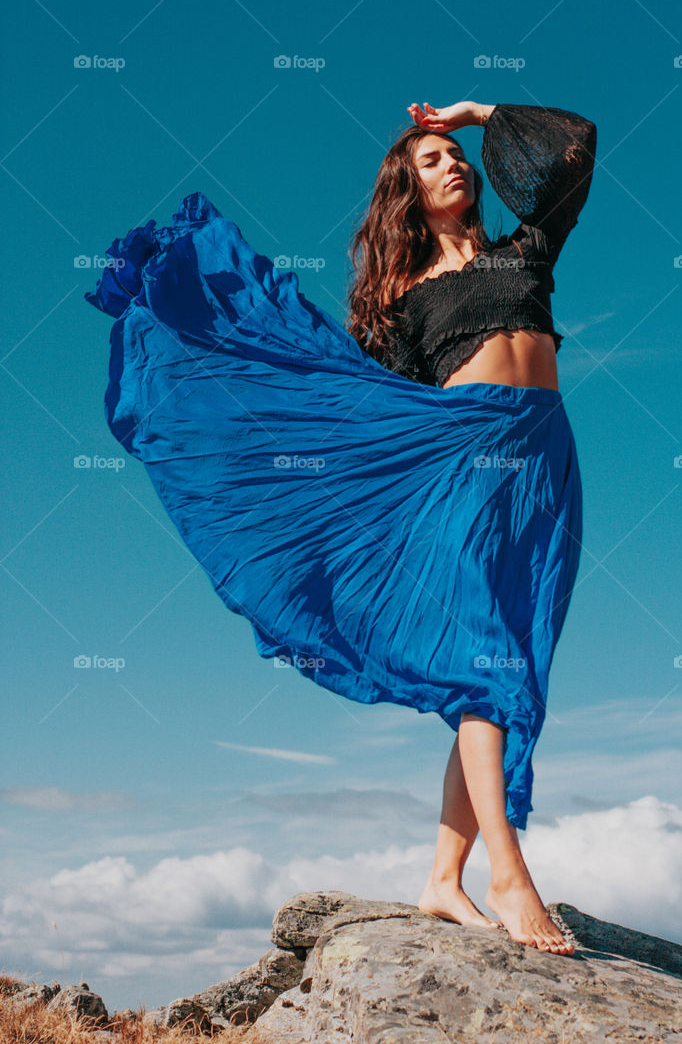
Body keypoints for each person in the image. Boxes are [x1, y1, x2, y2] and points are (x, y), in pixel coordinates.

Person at [82, 94, 597, 958]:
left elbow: (573, 148)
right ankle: (509, 878)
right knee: (485, 667)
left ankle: (441, 879)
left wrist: (476, 113)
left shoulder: (525, 249)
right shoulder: (400, 296)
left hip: (543, 464)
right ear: (405, 190)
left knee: (515, 664)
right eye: (430, 160)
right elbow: (362, 402)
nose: (453, 165)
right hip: (460, 466)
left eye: (455, 155)